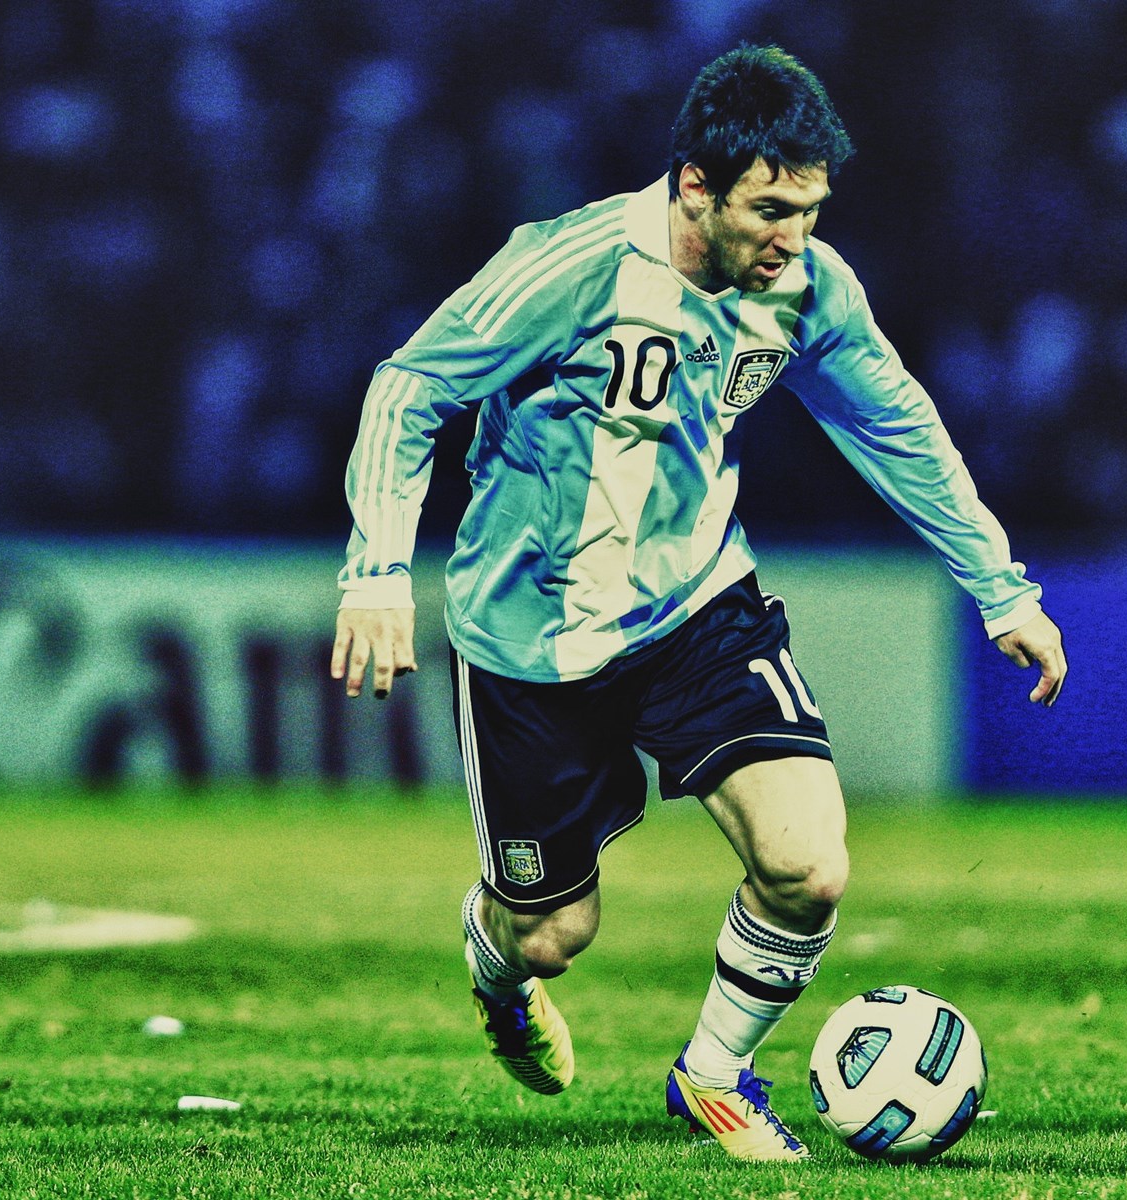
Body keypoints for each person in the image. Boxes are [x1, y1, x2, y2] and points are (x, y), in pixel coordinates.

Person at [329, 43, 1066, 1162]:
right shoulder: (570, 266)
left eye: (809, 212)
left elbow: (895, 425)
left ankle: (712, 1074)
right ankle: (496, 967)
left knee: (808, 864)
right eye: (769, 211)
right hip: (531, 640)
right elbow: (409, 386)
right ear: (693, 188)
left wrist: (999, 587)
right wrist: (378, 570)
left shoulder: (807, 289)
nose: (792, 239)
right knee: (551, 935)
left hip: (697, 610)